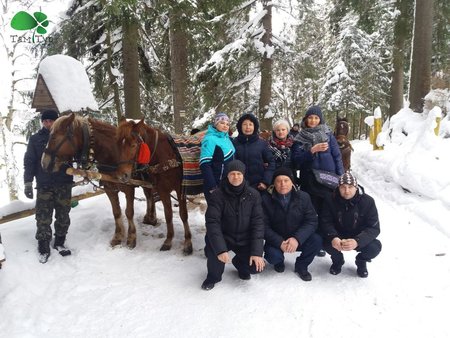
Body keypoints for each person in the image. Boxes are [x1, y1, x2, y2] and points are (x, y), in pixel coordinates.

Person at [201, 160, 265, 290]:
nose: (236, 177)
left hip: (244, 238)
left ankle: (240, 263)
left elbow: (258, 223)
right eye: (232, 174)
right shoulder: (217, 195)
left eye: (239, 173)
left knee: (255, 267)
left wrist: (257, 252)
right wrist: (220, 249)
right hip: (225, 237)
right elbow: (213, 223)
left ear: (243, 175)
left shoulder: (254, 195)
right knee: (214, 253)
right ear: (227, 176)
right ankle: (213, 277)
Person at [23, 110, 73, 263]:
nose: (47, 123)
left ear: (56, 122)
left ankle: (59, 241)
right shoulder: (35, 139)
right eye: (45, 121)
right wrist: (28, 183)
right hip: (44, 184)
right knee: (43, 216)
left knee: (63, 214)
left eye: (51, 121)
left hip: (63, 182)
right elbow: (30, 161)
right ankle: (43, 244)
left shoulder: (66, 137)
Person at [262, 167, 322, 281]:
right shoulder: (265, 199)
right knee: (272, 256)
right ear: (274, 183)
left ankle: (302, 265)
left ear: (292, 182)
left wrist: (296, 238)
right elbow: (263, 226)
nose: (282, 184)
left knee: (317, 240)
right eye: (278, 181)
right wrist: (279, 242)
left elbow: (311, 221)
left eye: (286, 180)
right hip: (277, 240)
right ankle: (279, 261)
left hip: (298, 237)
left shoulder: (304, 197)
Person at [320, 172, 382, 278]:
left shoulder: (368, 201)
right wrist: (333, 237)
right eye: (343, 187)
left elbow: (373, 228)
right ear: (338, 188)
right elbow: (325, 221)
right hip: (338, 234)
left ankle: (361, 261)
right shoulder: (330, 199)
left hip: (358, 235)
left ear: (356, 187)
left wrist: (357, 241)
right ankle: (337, 261)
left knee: (375, 247)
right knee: (322, 240)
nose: (347, 191)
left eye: (350, 187)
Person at [233, 113, 275, 191]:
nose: (248, 127)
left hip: (258, 187)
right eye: (245, 124)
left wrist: (265, 181)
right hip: (238, 187)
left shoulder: (262, 143)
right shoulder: (234, 143)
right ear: (240, 127)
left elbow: (271, 162)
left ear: (254, 127)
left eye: (250, 124)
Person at [200, 112, 235, 202]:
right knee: (215, 214)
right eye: (222, 123)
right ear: (216, 124)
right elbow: (205, 164)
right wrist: (213, 186)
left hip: (228, 184)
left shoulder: (228, 139)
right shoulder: (209, 139)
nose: (225, 126)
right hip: (216, 184)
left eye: (227, 124)